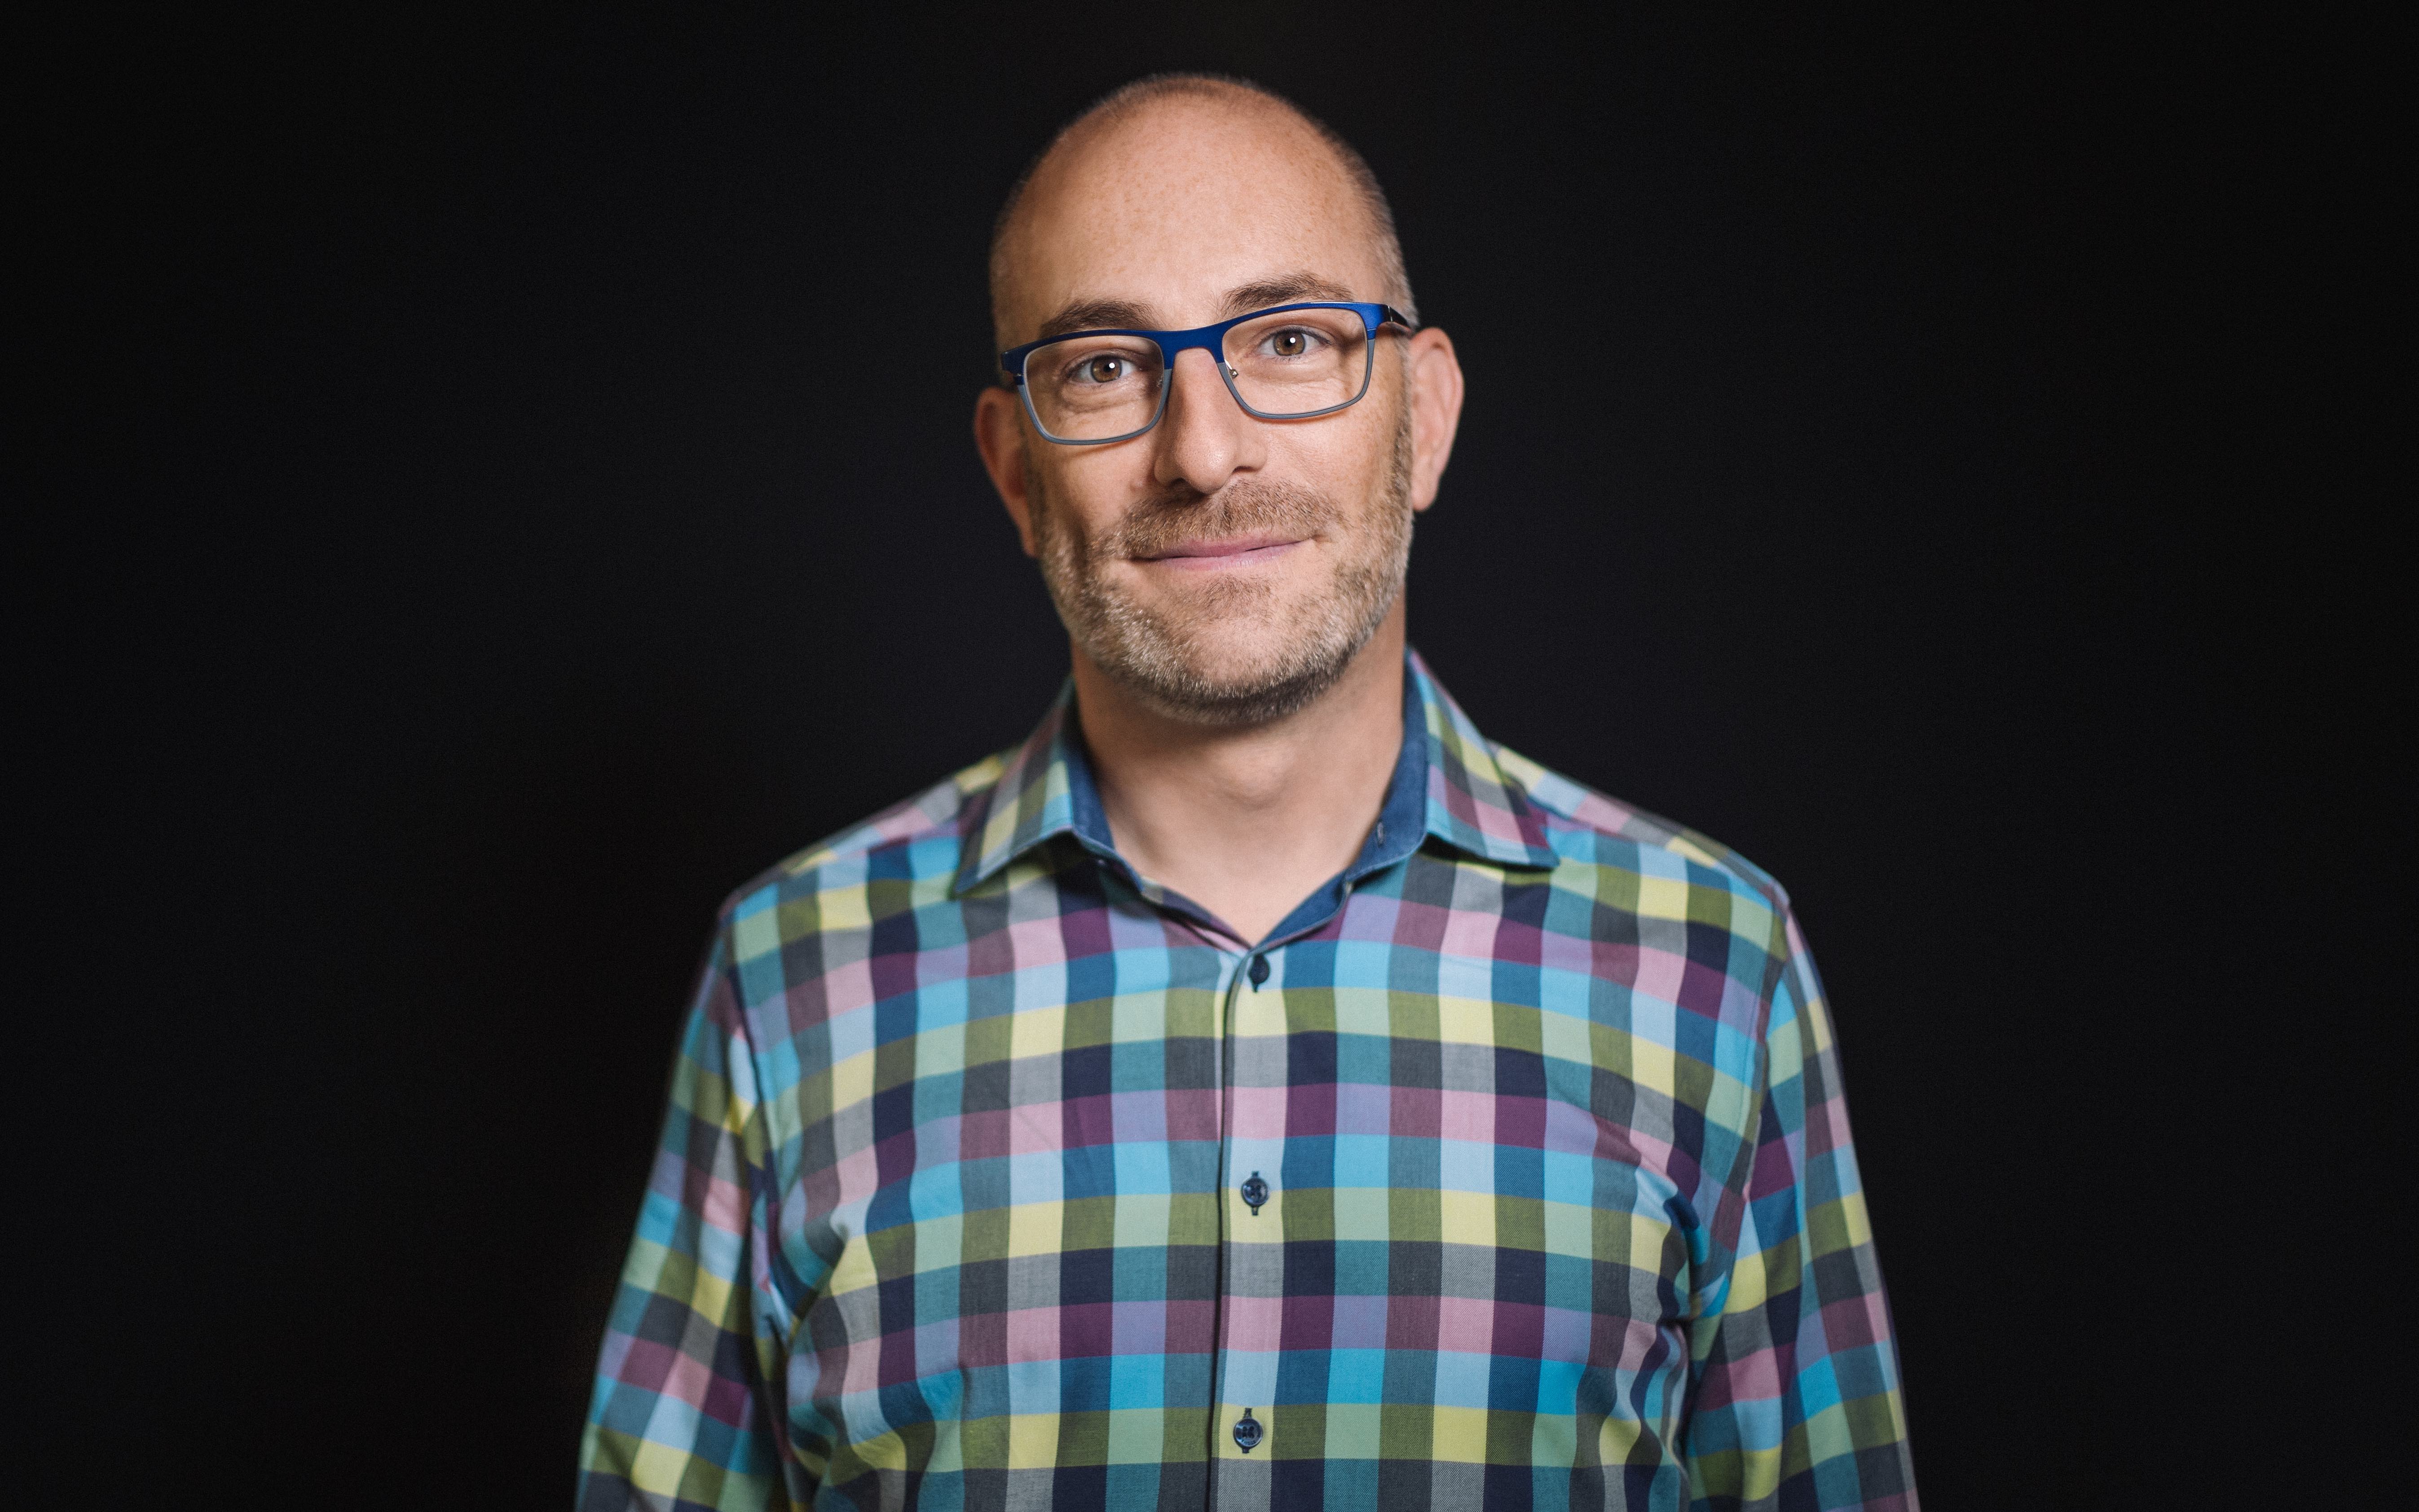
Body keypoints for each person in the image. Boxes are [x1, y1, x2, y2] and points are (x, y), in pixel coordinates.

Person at [577, 74, 1916, 1512]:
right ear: (1017, 473)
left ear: (1429, 415)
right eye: (1101, 365)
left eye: (1289, 341)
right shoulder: (792, 980)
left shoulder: (1710, 968)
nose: (1203, 452)